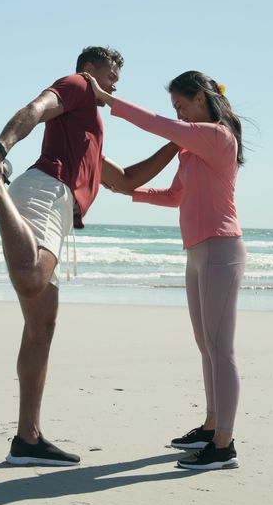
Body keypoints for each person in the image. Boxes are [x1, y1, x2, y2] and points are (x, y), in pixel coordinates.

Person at [0, 47, 179, 466]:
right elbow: (35, 108)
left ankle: (27, 440)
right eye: (111, 73)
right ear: (89, 69)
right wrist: (0, 149)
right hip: (45, 191)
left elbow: (125, 181)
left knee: (41, 327)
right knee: (32, 279)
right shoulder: (79, 86)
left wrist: (178, 144)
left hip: (55, 203)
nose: (115, 84)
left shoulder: (87, 130)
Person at [84, 70, 246, 470]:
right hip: (198, 252)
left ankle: (223, 446)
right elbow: (177, 197)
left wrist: (108, 99)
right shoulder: (193, 150)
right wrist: (130, 191)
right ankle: (211, 427)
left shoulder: (217, 137)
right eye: (175, 108)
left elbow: (157, 125)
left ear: (202, 99)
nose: (178, 115)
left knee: (221, 350)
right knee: (206, 347)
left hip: (220, 248)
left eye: (181, 105)